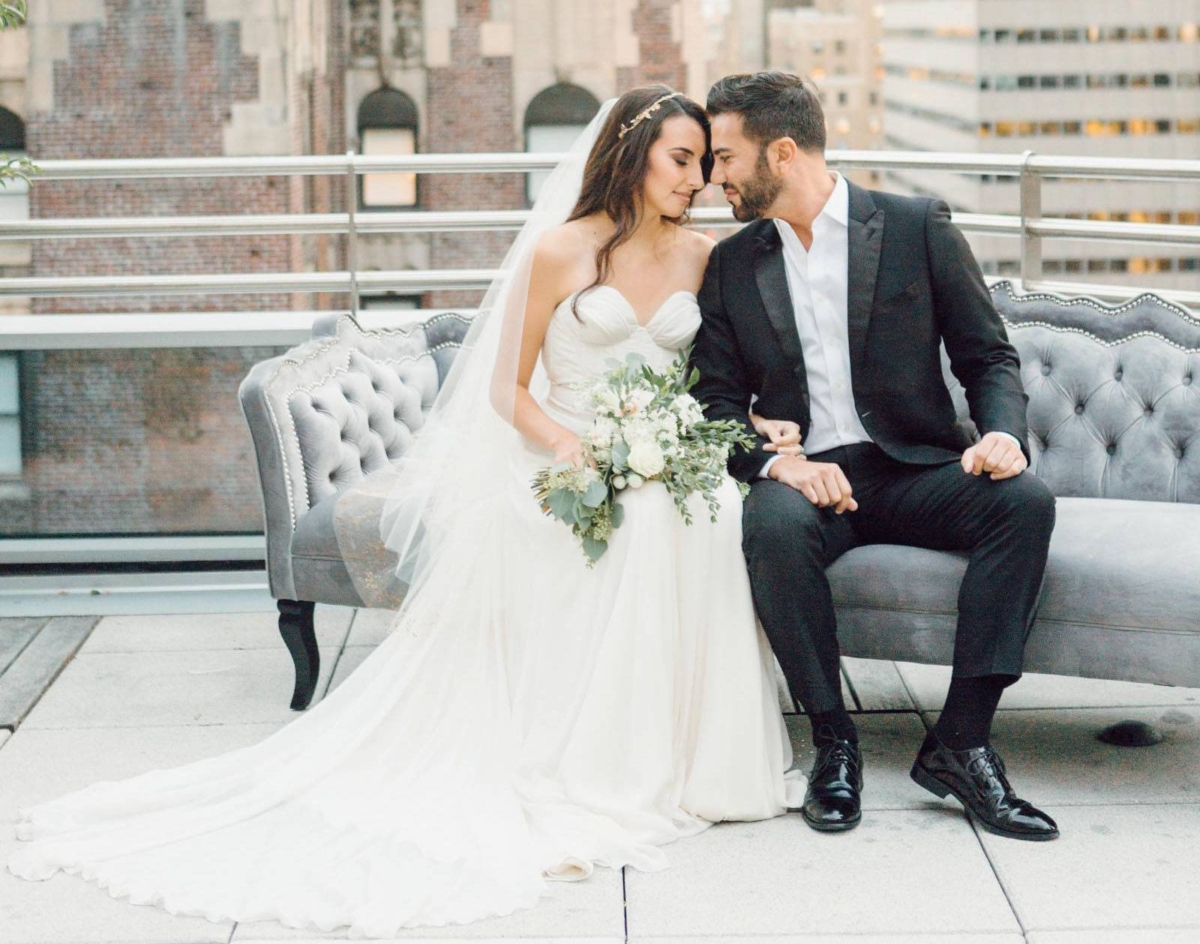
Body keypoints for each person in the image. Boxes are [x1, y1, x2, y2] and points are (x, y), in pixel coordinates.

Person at [7, 86, 807, 936]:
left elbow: (701, 379)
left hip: (657, 450)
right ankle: (603, 764)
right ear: (631, 153)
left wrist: (740, 425)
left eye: (701, 163)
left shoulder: (702, 258)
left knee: (713, 510)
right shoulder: (559, 252)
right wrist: (583, 453)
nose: (696, 179)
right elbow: (505, 390)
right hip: (562, 449)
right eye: (681, 160)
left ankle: (691, 762)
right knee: (632, 524)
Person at [691, 71, 1061, 842]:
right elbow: (715, 405)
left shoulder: (914, 225)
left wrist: (1001, 436)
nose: (713, 178)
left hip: (914, 467)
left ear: (782, 152)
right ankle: (834, 741)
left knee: (1024, 503)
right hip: (809, 480)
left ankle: (960, 743)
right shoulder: (730, 264)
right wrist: (775, 464)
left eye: (725, 158)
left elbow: (987, 355)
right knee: (771, 527)